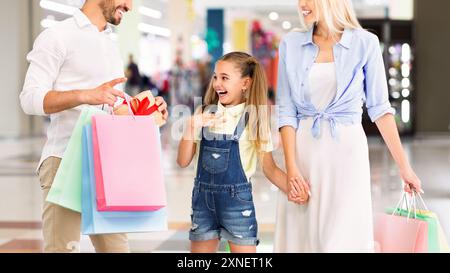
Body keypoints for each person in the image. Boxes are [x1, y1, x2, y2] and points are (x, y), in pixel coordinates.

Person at [19, 0, 168, 253]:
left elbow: (112, 106)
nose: (130, 6)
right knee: (62, 249)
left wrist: (143, 112)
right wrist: (85, 95)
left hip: (106, 165)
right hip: (64, 161)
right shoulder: (57, 36)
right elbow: (29, 99)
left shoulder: (110, 44)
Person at [275, 0, 423, 253]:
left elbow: (380, 109)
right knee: (304, 237)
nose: (302, 4)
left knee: (342, 237)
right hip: (305, 153)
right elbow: (286, 110)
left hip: (347, 152)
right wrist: (291, 169)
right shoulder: (291, 44)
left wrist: (404, 167)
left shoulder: (365, 43)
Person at [177, 52, 297, 253]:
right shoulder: (204, 112)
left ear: (245, 83)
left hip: (238, 207)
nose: (217, 83)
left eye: (225, 78)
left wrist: (295, 189)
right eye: (215, 77)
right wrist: (191, 127)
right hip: (202, 205)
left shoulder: (255, 119)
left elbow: (269, 169)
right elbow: (182, 161)